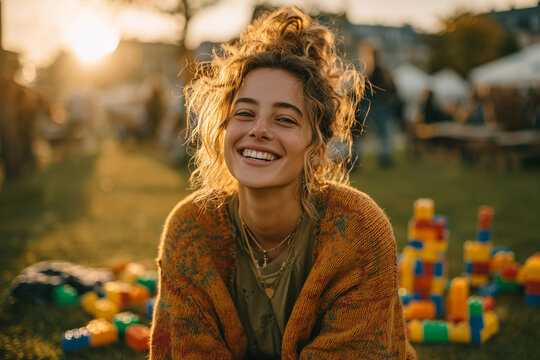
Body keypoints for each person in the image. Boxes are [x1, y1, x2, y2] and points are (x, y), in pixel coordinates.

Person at [150, 7, 416, 360]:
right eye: (244, 113)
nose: (259, 129)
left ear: (319, 150)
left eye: (285, 119)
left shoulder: (360, 231)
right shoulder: (191, 229)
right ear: (224, 130)